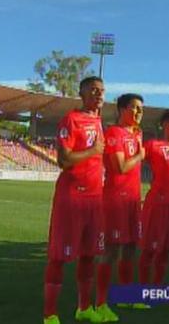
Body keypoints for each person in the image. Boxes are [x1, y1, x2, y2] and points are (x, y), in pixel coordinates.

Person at [43, 76, 106, 324]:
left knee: (90, 255)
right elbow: (64, 160)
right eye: (93, 90)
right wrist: (93, 151)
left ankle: (84, 308)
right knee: (59, 256)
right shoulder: (71, 119)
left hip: (95, 198)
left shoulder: (98, 120)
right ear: (81, 93)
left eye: (101, 91)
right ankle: (50, 315)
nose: (99, 94)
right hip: (72, 197)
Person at [96, 93, 145, 320]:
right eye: (134, 108)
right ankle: (100, 303)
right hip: (115, 199)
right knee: (111, 251)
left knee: (130, 247)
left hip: (133, 200)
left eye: (140, 110)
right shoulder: (114, 133)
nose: (137, 113)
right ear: (122, 109)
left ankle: (126, 296)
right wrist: (140, 155)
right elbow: (120, 167)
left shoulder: (137, 134)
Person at [139, 110, 169, 287]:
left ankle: (157, 287)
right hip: (157, 205)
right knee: (150, 250)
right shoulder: (153, 145)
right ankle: (144, 289)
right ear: (164, 125)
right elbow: (136, 157)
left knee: (166, 251)